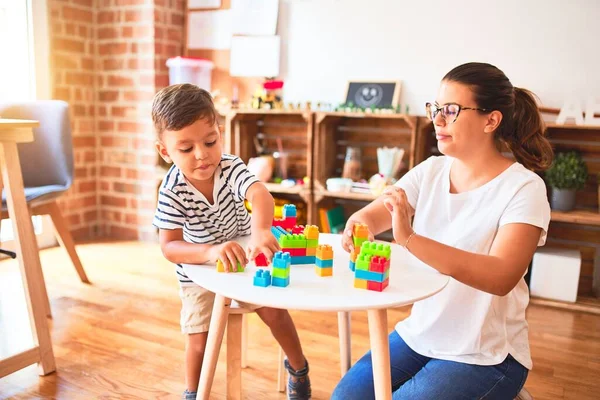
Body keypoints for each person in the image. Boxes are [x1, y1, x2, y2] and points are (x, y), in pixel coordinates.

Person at [332, 62, 554, 399]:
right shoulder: (431, 171)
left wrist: (408, 238)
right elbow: (372, 216)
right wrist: (356, 225)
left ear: (491, 120)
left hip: (487, 353)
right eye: (435, 109)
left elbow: (501, 276)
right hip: (419, 334)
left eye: (450, 110)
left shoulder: (524, 188)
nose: (437, 120)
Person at [152, 84, 311, 400]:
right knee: (198, 339)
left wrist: (262, 231)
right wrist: (210, 252)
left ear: (219, 133)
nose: (202, 155)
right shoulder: (170, 190)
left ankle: (299, 369)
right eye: (186, 149)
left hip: (249, 257)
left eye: (210, 141)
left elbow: (259, 194)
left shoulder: (230, 166)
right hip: (199, 272)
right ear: (165, 151)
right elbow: (169, 247)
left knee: (275, 314)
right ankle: (193, 393)